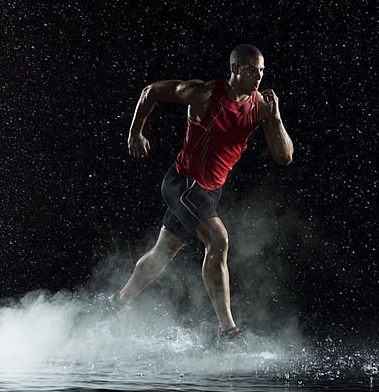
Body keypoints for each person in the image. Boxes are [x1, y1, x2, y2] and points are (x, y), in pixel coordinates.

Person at [109, 44, 294, 344]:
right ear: (234, 69)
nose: (258, 76)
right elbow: (150, 92)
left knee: (163, 252)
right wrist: (135, 133)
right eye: (251, 70)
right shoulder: (205, 94)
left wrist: (276, 118)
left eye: (261, 70)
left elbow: (284, 157)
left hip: (210, 191)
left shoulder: (261, 105)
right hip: (183, 183)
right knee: (218, 240)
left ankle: (117, 302)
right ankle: (228, 331)